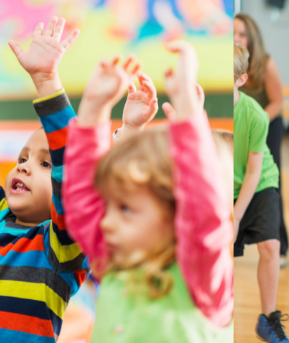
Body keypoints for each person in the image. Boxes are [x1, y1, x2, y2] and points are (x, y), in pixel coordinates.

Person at [63, 42, 234, 342]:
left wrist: (188, 113)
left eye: (125, 209)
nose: (104, 221)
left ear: (175, 212)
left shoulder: (200, 278)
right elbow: (83, 202)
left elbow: (204, 212)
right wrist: (94, 108)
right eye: (110, 207)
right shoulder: (117, 263)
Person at [0, 17, 90, 341]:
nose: (23, 167)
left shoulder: (62, 249)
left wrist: (46, 80)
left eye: (44, 164)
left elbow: (74, 172)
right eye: (22, 159)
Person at [233, 43, 289, 343]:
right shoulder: (201, 108)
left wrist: (235, 215)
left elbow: (254, 171)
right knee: (217, 254)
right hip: (222, 186)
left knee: (270, 246)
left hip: (260, 182)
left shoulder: (256, 115)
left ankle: (269, 320)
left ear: (240, 79)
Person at [234, 13, 289, 268]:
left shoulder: (265, 63)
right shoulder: (228, 61)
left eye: (242, 34)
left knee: (269, 179)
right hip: (239, 119)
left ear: (252, 38)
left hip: (266, 119)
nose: (236, 38)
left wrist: (256, 123)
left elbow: (277, 100)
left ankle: (280, 243)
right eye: (232, 33)